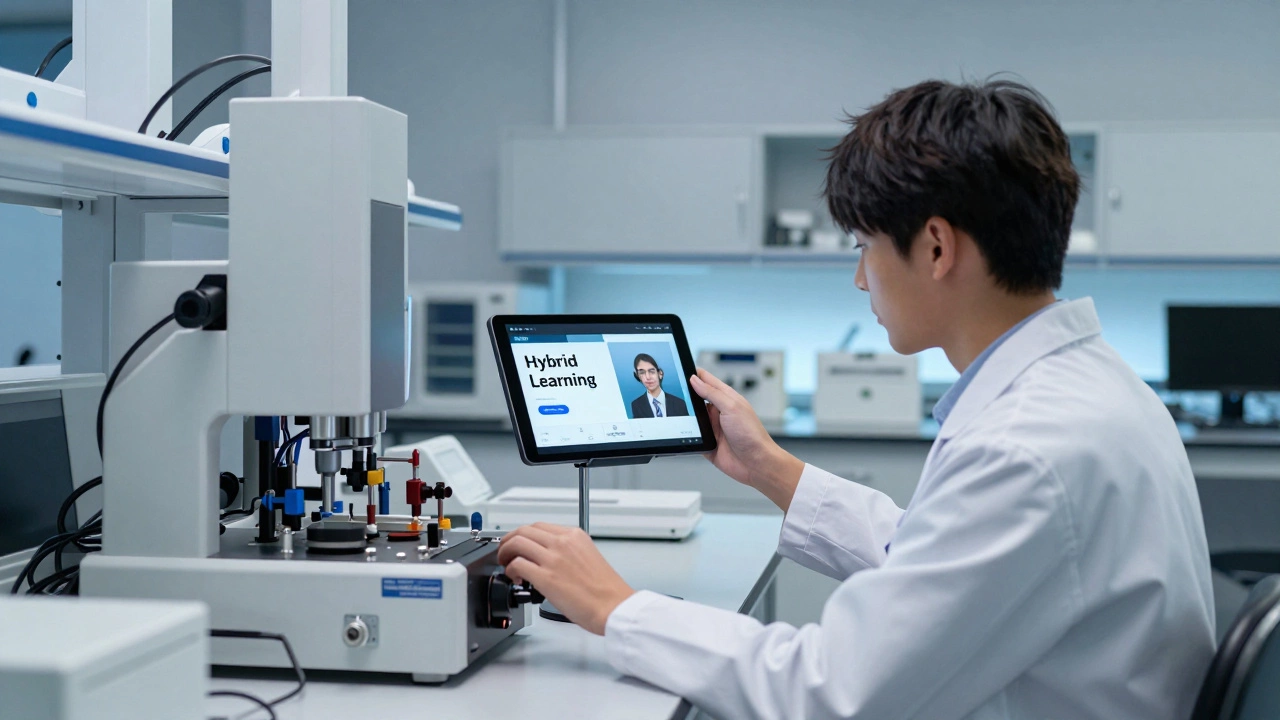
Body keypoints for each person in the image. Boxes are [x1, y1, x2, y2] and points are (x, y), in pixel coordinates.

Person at [497, 79, 1215, 720]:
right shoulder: (1096, 388)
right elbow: (936, 563)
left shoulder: (1024, 448)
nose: (861, 279)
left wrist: (618, 608)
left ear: (936, 248)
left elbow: (829, 692)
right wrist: (771, 468)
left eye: (864, 247)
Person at [629, 353, 689, 418]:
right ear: (638, 376)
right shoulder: (636, 405)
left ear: (660, 374)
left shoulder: (679, 403)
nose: (648, 377)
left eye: (652, 371)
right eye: (642, 373)